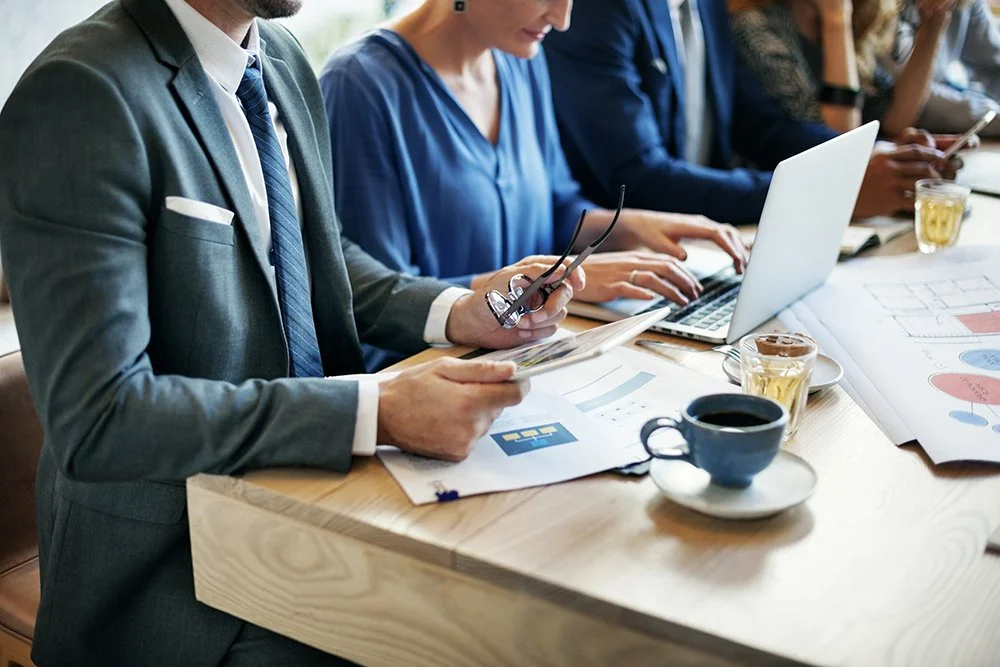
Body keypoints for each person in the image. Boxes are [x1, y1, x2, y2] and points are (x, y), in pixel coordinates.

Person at [0, 0, 585, 664]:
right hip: (169, 569)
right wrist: (377, 410)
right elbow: (102, 419)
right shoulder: (81, 92)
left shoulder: (280, 59)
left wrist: (457, 311)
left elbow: (317, 258)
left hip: (319, 499)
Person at [318, 0, 750, 370]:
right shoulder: (359, 84)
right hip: (430, 374)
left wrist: (631, 227)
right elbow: (382, 297)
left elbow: (555, 206)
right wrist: (543, 282)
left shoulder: (520, 57)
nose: (562, 19)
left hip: (529, 353)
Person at [543, 0, 958, 226]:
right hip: (622, 258)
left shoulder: (705, 5)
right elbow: (640, 179)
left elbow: (757, 124)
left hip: (714, 241)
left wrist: (870, 157)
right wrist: (824, 191)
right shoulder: (596, 11)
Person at [728, 0, 953, 135]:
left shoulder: (853, 19)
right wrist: (836, 19)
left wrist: (934, 21)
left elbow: (894, 117)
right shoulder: (755, 28)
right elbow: (837, 138)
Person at [896, 0, 1000, 136]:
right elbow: (907, 97)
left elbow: (994, 67)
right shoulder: (884, 9)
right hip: (904, 134)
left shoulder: (965, 3)